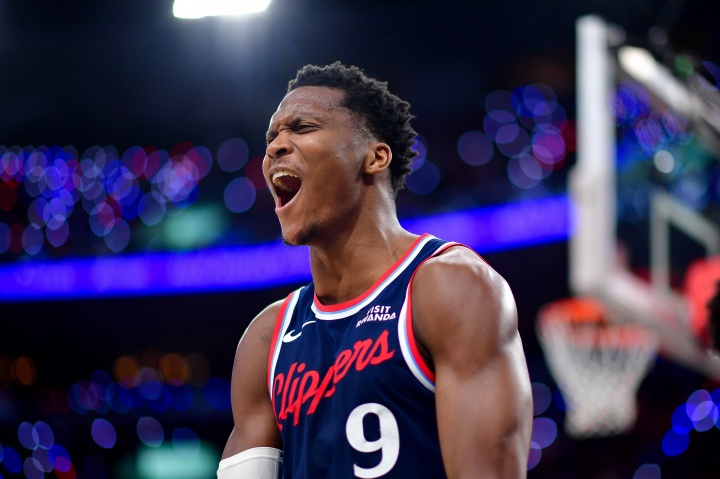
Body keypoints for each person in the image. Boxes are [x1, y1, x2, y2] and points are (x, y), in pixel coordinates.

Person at [218, 62, 533, 479]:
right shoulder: (265, 340)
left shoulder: (451, 287)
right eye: (272, 137)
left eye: (303, 127)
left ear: (375, 157)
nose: (276, 146)